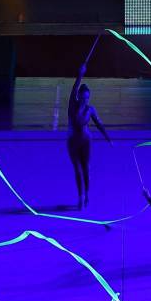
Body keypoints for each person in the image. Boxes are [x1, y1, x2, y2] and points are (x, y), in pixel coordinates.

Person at [67, 62, 111, 210]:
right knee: (77, 170)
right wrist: (80, 74)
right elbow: (75, 87)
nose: (86, 100)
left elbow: (99, 124)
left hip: (85, 141)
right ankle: (80, 197)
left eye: (88, 98)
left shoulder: (90, 109)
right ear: (79, 95)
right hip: (73, 142)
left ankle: (87, 194)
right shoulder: (72, 104)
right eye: (83, 97)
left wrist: (107, 138)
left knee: (86, 169)